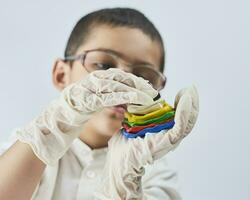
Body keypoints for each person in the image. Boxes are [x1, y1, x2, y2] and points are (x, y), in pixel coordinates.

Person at [0, 8, 199, 200]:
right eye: (103, 66)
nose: (121, 82)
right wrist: (55, 123)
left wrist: (124, 178)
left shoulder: (156, 175)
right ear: (61, 74)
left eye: (142, 76)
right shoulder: (25, 149)